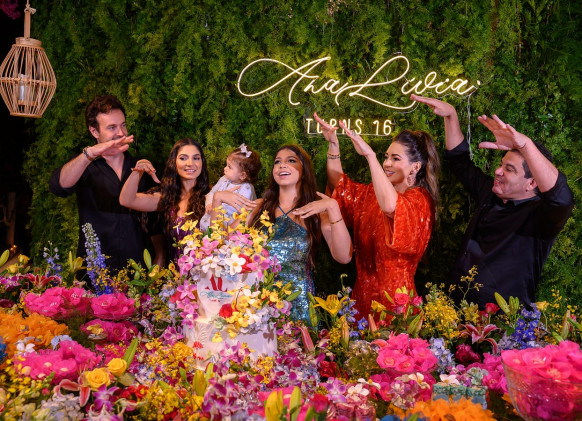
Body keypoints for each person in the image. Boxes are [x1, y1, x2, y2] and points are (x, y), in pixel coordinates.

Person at [413, 94, 574, 308]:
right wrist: (451, 115)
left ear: (532, 183)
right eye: (501, 164)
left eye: (509, 169)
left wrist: (525, 145)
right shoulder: (490, 192)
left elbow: (561, 199)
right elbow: (460, 162)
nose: (498, 171)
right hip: (454, 311)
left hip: (501, 323)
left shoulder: (541, 217)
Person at [314, 112, 440, 319]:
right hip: (360, 304)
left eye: (395, 158)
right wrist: (333, 146)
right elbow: (340, 188)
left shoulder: (420, 200)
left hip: (396, 308)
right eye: (386, 157)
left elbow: (391, 206)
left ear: (416, 167)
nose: (387, 163)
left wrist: (370, 156)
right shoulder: (371, 195)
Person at [49, 94, 163, 274]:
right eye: (112, 127)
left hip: (138, 271)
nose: (121, 133)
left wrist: (159, 258)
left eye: (123, 125)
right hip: (95, 273)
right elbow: (59, 187)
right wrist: (90, 154)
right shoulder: (83, 165)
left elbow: (156, 220)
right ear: (94, 132)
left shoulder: (141, 166)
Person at [248, 145, 352, 324]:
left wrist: (333, 207)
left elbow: (344, 257)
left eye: (291, 161)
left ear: (304, 171)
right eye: (277, 162)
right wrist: (218, 199)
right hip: (258, 307)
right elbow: (223, 245)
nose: (282, 165)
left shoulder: (317, 212)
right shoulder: (259, 207)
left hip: (299, 308)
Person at [119, 138, 219, 263]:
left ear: (202, 162)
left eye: (196, 158)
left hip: (208, 272)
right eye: (183, 158)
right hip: (175, 274)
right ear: (174, 162)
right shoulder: (166, 198)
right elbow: (126, 200)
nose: (190, 163)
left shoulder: (212, 197)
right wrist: (138, 170)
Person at [199, 143, 261, 231]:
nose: (225, 168)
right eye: (226, 165)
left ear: (242, 175)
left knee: (217, 234)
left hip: (227, 224)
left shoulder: (247, 189)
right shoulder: (224, 179)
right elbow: (212, 192)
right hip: (211, 217)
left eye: (229, 167)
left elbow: (239, 209)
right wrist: (209, 204)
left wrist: (219, 203)